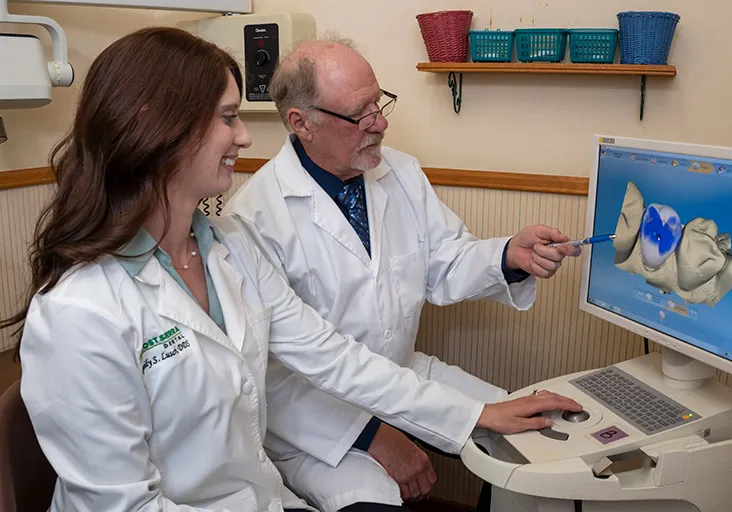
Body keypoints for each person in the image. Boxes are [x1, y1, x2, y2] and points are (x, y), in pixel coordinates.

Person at [0, 27, 582, 512]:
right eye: (228, 117)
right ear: (158, 128)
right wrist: (380, 435)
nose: (246, 136)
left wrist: (477, 410)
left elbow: (332, 354)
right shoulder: (81, 312)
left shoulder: (229, 249)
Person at [222, 38, 582, 512]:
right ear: (300, 122)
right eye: (361, 114)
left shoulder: (401, 174)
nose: (382, 123)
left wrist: (508, 256)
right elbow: (273, 376)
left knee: (531, 434)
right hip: (313, 419)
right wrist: (378, 437)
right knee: (377, 501)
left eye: (379, 102)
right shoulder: (254, 218)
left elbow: (444, 261)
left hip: (398, 371)